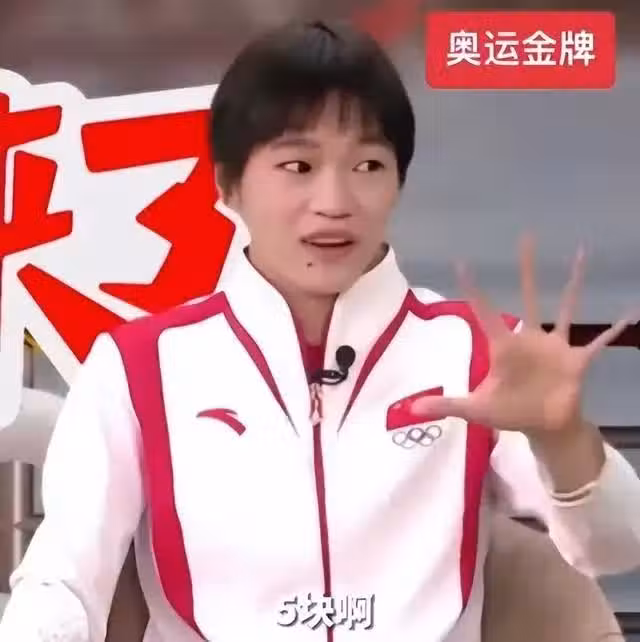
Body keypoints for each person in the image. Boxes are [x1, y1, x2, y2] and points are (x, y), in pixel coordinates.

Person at [1, 19, 640, 642]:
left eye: (368, 166)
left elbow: (615, 548)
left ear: (398, 182)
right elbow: (64, 578)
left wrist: (562, 438)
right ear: (228, 184)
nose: (335, 202)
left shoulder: (477, 354)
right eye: (298, 167)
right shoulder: (138, 366)